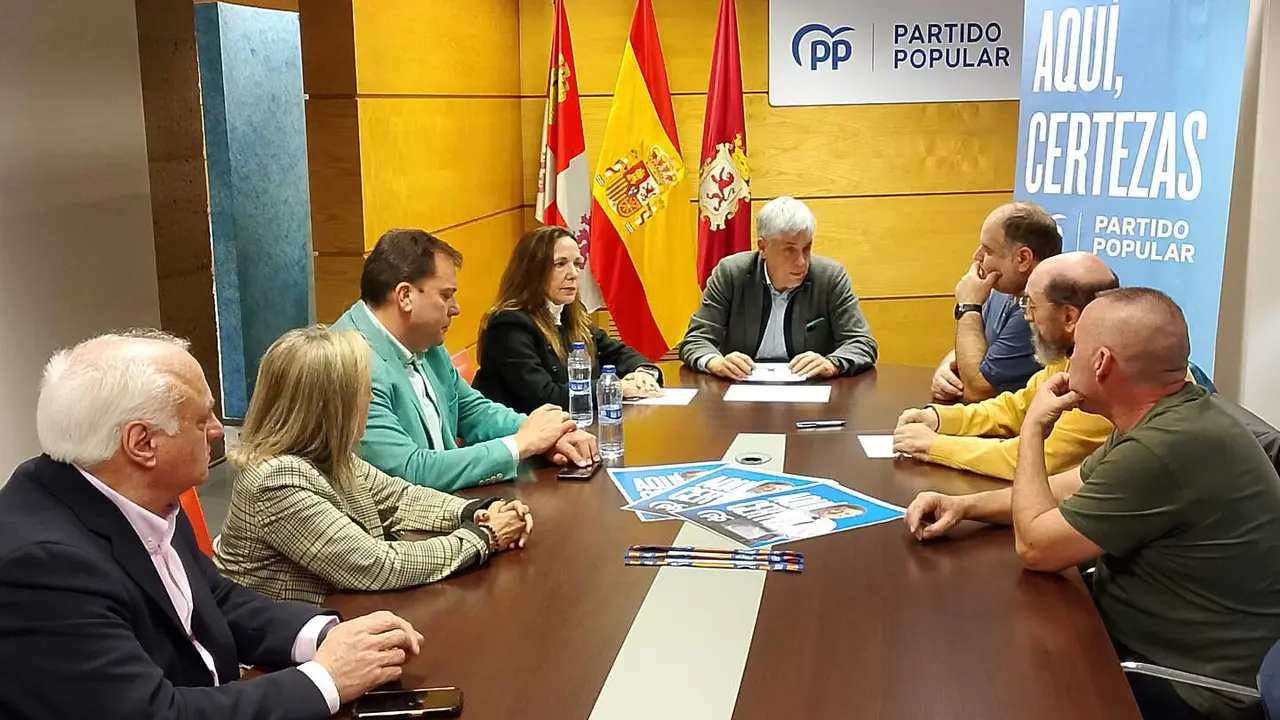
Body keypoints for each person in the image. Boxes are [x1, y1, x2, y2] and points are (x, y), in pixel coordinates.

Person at [0, 331, 424, 719]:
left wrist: (327, 635)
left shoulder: (138, 493)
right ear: (142, 443)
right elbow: (156, 715)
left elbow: (214, 600)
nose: (219, 431)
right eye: (202, 420)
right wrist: (328, 678)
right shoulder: (41, 567)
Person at [904, 289, 1280, 720]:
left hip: (1191, 685)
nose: (1066, 360)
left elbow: (1037, 547)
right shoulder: (1169, 414)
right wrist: (965, 506)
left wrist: (1033, 430)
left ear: (1100, 363)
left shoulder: (1165, 448)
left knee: (991, 681)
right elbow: (1071, 487)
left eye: (1076, 348)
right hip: (1142, 636)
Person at [214, 327, 534, 606]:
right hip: (278, 657)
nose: (369, 396)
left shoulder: (329, 455)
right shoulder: (277, 480)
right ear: (330, 407)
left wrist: (476, 512)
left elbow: (401, 498)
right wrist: (485, 536)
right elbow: (376, 565)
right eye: (362, 389)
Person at [333, 228, 599, 493]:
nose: (456, 308)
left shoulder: (423, 341)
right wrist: (520, 445)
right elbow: (410, 472)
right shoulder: (351, 364)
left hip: (448, 504)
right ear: (405, 296)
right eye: (446, 295)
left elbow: (472, 410)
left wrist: (549, 435)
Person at [893, 252, 1117, 480]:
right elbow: (1018, 408)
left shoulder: (1104, 374)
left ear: (1069, 317)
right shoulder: (1071, 353)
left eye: (1031, 305)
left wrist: (934, 446)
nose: (1027, 316)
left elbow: (1041, 461)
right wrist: (940, 419)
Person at [678, 196, 878, 381]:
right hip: (740, 392)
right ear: (763, 247)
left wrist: (832, 363)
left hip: (811, 394)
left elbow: (862, 343)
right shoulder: (732, 273)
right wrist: (716, 363)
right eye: (789, 249)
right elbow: (696, 340)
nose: (801, 261)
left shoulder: (830, 277)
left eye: (806, 248)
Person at [472, 225, 662, 414]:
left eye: (577, 264)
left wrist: (643, 373)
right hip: (520, 437)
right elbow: (545, 397)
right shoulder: (508, 326)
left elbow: (616, 353)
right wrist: (615, 387)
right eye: (560, 264)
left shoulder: (570, 314)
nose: (573, 274)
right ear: (532, 271)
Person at [931, 201, 1062, 403]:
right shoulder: (1002, 289)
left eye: (988, 250)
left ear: (1023, 259)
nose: (977, 257)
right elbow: (976, 343)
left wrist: (968, 307)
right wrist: (947, 366)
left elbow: (978, 391)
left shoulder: (1036, 310)